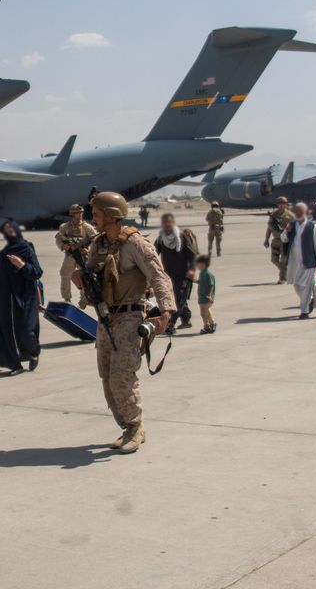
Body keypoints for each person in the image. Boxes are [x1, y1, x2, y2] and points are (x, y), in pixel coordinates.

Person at [75, 192, 175, 454]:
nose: (92, 218)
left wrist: (165, 311)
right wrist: (81, 281)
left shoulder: (135, 244)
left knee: (122, 374)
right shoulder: (98, 245)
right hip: (106, 316)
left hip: (131, 316)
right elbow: (94, 280)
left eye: (96, 214)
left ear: (110, 215)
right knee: (107, 376)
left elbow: (158, 276)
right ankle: (126, 427)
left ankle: (136, 426)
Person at [0, 221, 43, 376]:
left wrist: (22, 265)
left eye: (12, 230)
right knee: (7, 333)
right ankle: (15, 364)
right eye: (7, 231)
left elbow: (37, 272)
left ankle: (33, 353)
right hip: (5, 299)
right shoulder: (2, 254)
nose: (10, 233)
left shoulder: (27, 248)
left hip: (25, 298)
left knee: (26, 331)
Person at [154, 212, 198, 331]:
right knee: (176, 299)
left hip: (183, 275)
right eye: (164, 223)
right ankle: (186, 317)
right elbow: (153, 253)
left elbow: (192, 255)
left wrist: (192, 270)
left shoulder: (182, 237)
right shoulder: (161, 238)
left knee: (178, 299)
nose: (167, 225)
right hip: (168, 275)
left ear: (173, 223)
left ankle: (170, 325)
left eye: (169, 222)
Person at [281, 202, 316, 319]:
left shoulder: (313, 227)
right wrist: (287, 231)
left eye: (300, 211)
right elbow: (283, 239)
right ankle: (309, 300)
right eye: (296, 211)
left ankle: (304, 311)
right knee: (296, 284)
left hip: (308, 262)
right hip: (294, 262)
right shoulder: (291, 225)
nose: (298, 213)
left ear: (305, 212)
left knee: (306, 287)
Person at [54, 204, 97, 307]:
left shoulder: (87, 227)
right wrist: (63, 246)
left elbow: (95, 239)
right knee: (64, 274)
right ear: (72, 214)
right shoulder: (65, 227)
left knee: (84, 276)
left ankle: (84, 299)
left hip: (82, 256)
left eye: (81, 212)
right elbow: (58, 238)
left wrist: (88, 249)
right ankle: (67, 298)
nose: (80, 214)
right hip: (70, 255)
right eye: (78, 213)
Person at [263, 196, 294, 284]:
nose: (281, 206)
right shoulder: (273, 215)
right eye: (279, 204)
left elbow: (295, 229)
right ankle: (285, 271)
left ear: (286, 205)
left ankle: (282, 278)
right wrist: (266, 239)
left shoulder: (290, 215)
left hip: (286, 241)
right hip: (276, 240)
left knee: (284, 260)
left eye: (283, 204)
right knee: (274, 259)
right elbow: (269, 228)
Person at [195, 254, 216, 334]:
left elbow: (211, 285)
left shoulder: (208, 274)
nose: (197, 266)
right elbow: (200, 282)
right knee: (202, 313)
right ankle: (206, 326)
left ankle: (212, 323)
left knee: (207, 311)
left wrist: (209, 295)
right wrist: (194, 280)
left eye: (198, 264)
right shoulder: (201, 273)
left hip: (207, 298)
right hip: (201, 298)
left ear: (203, 264)